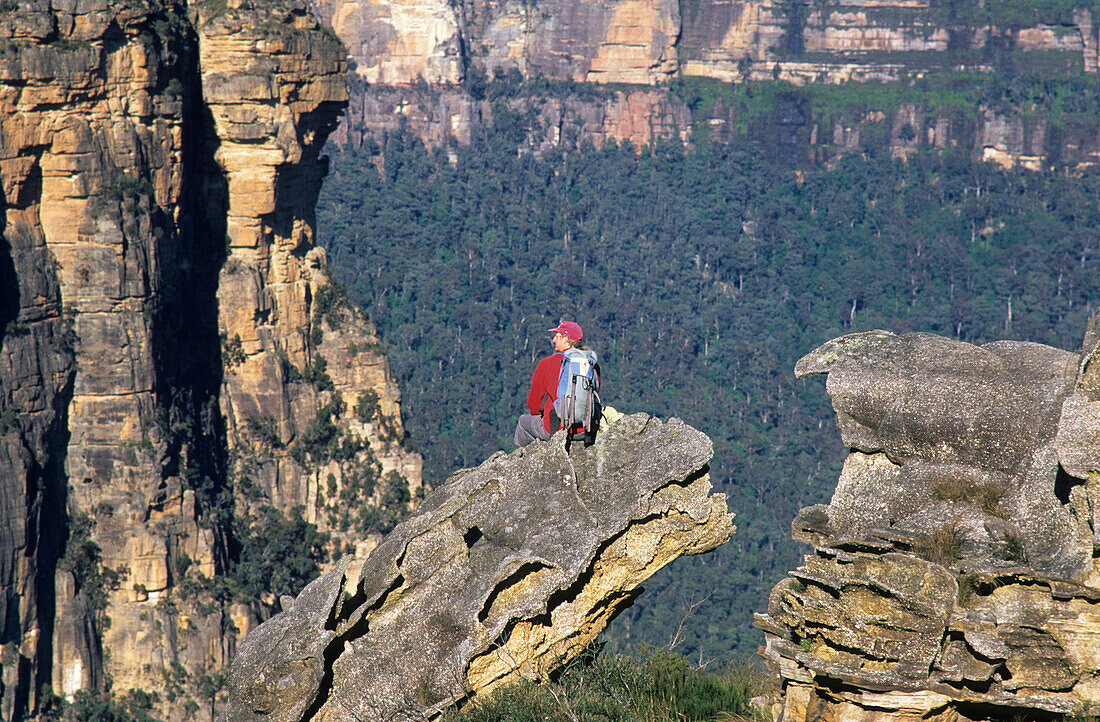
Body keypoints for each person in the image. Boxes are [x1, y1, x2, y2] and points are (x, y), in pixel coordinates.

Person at [514, 321, 593, 447]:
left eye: (557, 336)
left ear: (566, 339)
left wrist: (541, 414)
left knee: (523, 422)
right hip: (585, 429)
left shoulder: (547, 363)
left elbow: (534, 403)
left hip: (557, 428)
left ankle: (522, 461)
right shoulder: (590, 362)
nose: (553, 340)